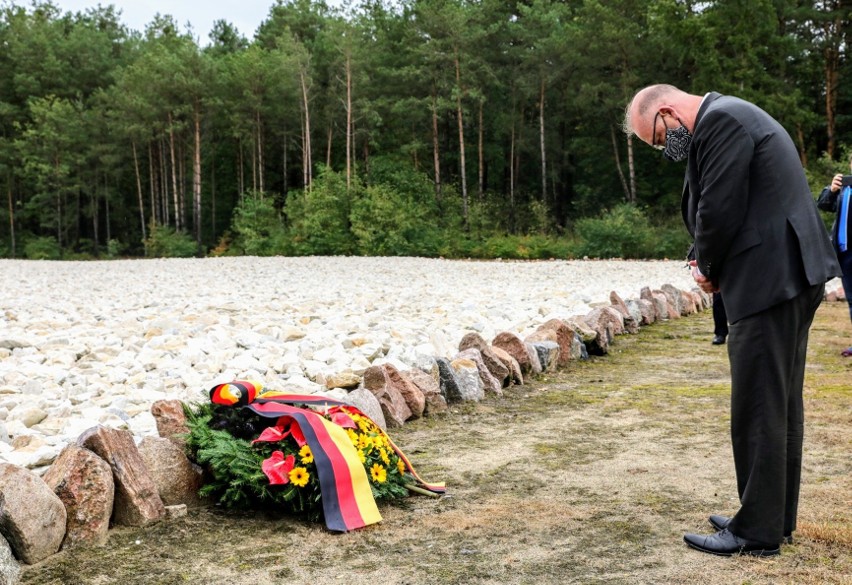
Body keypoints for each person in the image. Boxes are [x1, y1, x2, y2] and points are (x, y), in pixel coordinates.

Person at [623, 84, 841, 557]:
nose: (666, 149)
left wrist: (707, 268)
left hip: (769, 280)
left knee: (758, 407)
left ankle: (755, 532)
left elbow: (719, 208)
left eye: (659, 139)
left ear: (666, 111)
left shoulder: (720, 121)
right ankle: (770, 515)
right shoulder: (734, 115)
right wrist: (703, 256)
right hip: (788, 276)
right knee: (780, 404)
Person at [816, 158, 852, 356]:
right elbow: (822, 204)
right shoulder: (844, 189)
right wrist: (832, 190)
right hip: (845, 253)